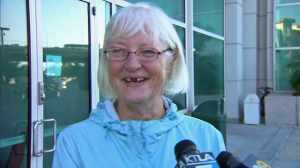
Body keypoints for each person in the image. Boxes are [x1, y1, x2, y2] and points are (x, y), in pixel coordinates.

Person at [52, 3, 225, 168]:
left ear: (172, 60)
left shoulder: (207, 137)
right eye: (118, 51)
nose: (132, 65)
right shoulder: (74, 142)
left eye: (148, 51)